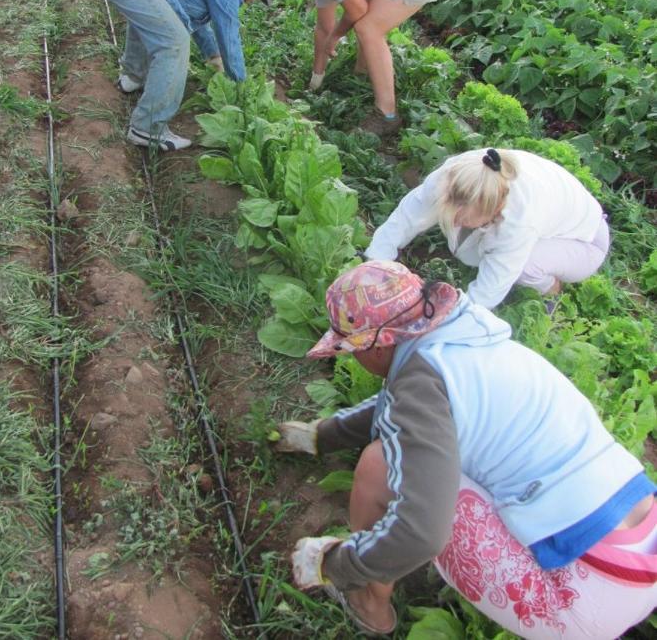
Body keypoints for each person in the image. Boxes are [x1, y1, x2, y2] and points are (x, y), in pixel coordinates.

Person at [277, 260, 657, 639]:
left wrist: (334, 564)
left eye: (350, 348)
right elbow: (400, 409)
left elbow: (420, 534)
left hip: (577, 600)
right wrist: (320, 436)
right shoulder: (471, 341)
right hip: (640, 557)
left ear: (376, 346)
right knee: (410, 459)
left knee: (379, 466)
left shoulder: (421, 387)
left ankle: (369, 604)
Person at [77, 0, 278, 151]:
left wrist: (212, 56)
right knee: (175, 41)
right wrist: (241, 90)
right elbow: (229, 39)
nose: (252, 0)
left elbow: (184, 14)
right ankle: (147, 128)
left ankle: (132, 78)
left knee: (158, 18)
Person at [264, 0, 455, 134]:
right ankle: (362, 81)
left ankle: (387, 114)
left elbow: (357, 10)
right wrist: (316, 81)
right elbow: (324, 29)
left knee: (368, 27)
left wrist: (336, 36)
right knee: (366, 25)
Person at [364, 147, 610, 310]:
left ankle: (551, 290)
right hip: (540, 216)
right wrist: (374, 264)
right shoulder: (459, 174)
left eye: (465, 219)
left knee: (524, 266)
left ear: (496, 209)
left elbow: (486, 294)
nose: (455, 222)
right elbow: (409, 215)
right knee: (468, 247)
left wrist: (441, 323)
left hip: (583, 243)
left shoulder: (519, 219)